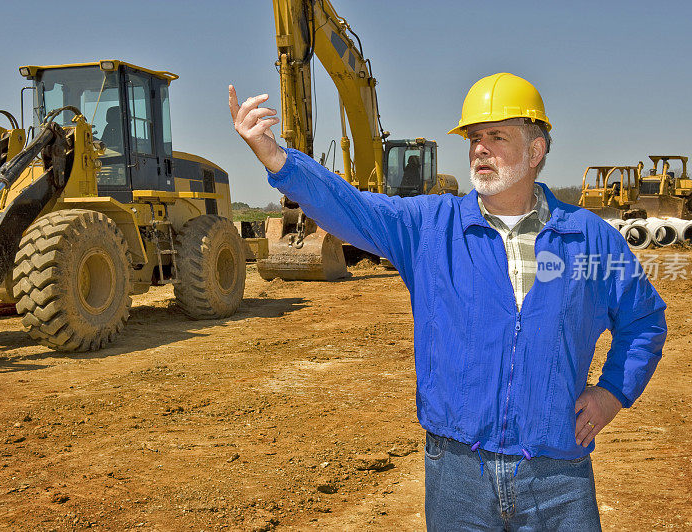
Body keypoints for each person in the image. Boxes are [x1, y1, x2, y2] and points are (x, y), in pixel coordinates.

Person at [229, 73, 667, 531]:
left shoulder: (589, 237)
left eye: (497, 136)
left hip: (557, 473)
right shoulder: (431, 229)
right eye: (475, 137)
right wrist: (278, 159)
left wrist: (612, 393)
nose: (480, 148)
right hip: (458, 473)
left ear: (535, 151)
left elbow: (644, 320)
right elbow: (351, 207)